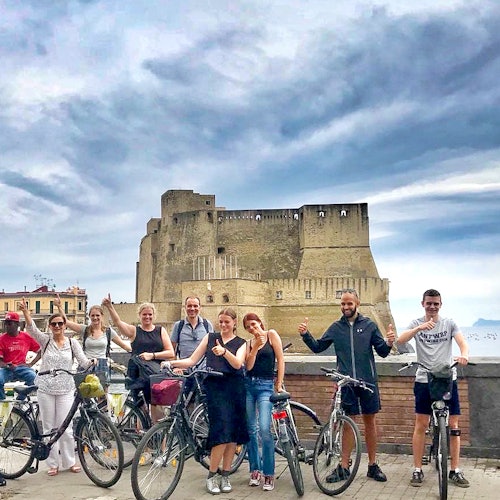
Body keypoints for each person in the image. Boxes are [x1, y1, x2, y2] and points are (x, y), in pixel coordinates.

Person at [298, 288, 395, 483]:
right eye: (343, 303)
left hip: (368, 381)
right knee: (348, 423)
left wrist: (390, 342)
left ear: (357, 303)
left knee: (370, 422)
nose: (346, 307)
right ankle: (344, 466)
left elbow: (383, 352)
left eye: (349, 303)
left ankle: (373, 465)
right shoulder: (336, 327)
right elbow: (318, 347)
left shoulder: (369, 325)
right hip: (346, 382)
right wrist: (306, 335)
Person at [161, 307, 248, 495]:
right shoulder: (210, 338)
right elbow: (192, 360)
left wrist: (224, 352)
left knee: (232, 435)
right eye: (221, 321)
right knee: (220, 433)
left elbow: (237, 364)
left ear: (234, 323)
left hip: (235, 389)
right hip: (216, 389)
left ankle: (225, 474)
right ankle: (212, 475)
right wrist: (172, 363)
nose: (223, 325)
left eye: (227, 322)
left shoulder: (241, 343)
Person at [396, 288, 470, 488]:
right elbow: (400, 341)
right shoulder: (416, 323)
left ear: (440, 305)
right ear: (423, 304)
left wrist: (464, 355)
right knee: (421, 423)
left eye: (436, 303)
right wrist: (419, 329)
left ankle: (455, 470)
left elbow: (462, 342)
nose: (432, 307)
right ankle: (417, 469)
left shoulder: (449, 323)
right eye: (429, 303)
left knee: (453, 424)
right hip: (424, 379)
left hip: (446, 379)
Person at [18, 298, 95, 476]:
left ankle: (70, 461)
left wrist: (93, 362)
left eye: (60, 323)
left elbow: (83, 362)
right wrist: (25, 311)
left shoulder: (72, 343)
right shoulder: (45, 341)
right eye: (54, 324)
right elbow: (32, 329)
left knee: (66, 428)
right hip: (45, 389)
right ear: (50, 326)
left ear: (65, 325)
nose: (58, 326)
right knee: (49, 428)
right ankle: (52, 463)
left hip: (66, 389)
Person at [102, 294, 174, 422]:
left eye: (150, 314)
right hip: (138, 375)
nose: (147, 317)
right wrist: (110, 307)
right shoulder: (134, 331)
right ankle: (142, 434)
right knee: (141, 412)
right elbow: (118, 322)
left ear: (154, 315)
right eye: (144, 314)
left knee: (158, 412)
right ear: (139, 315)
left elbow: (170, 353)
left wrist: (152, 355)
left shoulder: (160, 330)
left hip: (155, 374)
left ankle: (157, 435)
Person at [243, 312, 284, 492]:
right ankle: (255, 469)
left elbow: (280, 359)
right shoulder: (248, 344)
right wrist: (254, 349)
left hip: (266, 386)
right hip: (249, 386)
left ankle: (268, 472)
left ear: (260, 322)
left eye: (253, 324)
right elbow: (248, 366)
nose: (252, 328)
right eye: (248, 327)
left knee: (265, 428)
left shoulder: (271, 335)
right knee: (251, 430)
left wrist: (279, 383)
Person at [54, 294, 131, 384]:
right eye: (93, 315)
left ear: (102, 316)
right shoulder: (85, 329)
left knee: (102, 391)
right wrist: (59, 306)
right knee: (83, 390)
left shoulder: (108, 332)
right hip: (87, 363)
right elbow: (66, 322)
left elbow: (124, 346)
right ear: (89, 316)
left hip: (102, 365)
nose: (95, 318)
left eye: (97, 315)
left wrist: (137, 352)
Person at [0, 311, 40, 400]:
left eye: (9, 323)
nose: (7, 326)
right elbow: (0, 362)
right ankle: (2, 401)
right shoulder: (1, 339)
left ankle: (19, 400)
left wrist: (31, 364)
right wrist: (7, 365)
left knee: (34, 378)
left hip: (22, 367)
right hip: (7, 369)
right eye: (5, 323)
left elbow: (40, 351)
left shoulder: (26, 337)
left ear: (17, 324)